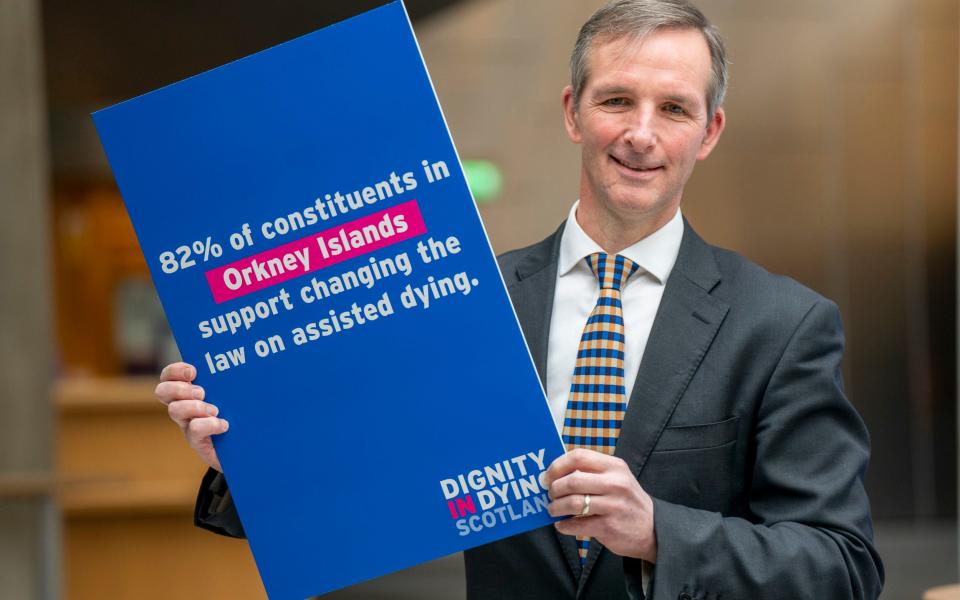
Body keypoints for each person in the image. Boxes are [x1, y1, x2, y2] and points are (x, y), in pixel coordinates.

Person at [156, 1, 884, 598]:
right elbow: (358, 482)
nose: (640, 133)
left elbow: (841, 566)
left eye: (674, 109)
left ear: (709, 132)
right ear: (573, 112)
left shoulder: (784, 325)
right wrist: (247, 456)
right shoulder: (469, 301)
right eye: (617, 100)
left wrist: (659, 531)